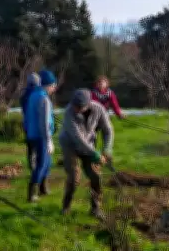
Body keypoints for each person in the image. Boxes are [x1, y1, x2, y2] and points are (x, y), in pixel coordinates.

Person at [59, 88, 114, 219]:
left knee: (96, 175)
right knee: (74, 177)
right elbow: (77, 138)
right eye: (74, 105)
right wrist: (95, 153)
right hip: (70, 145)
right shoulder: (69, 112)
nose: (75, 109)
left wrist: (107, 149)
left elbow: (108, 130)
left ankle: (95, 208)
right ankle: (66, 207)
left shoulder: (98, 109)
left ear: (88, 104)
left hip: (89, 144)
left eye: (79, 107)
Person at [24, 69, 57, 202]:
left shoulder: (33, 95)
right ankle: (32, 193)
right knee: (42, 163)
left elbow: (27, 116)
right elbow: (44, 121)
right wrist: (48, 140)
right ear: (48, 85)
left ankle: (43, 188)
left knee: (48, 162)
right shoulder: (44, 99)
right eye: (53, 85)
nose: (54, 88)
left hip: (32, 134)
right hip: (41, 136)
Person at [20, 72, 41, 171]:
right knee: (39, 146)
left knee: (30, 147)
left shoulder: (24, 95)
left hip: (27, 124)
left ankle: (32, 166)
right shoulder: (38, 94)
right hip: (37, 124)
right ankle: (37, 167)